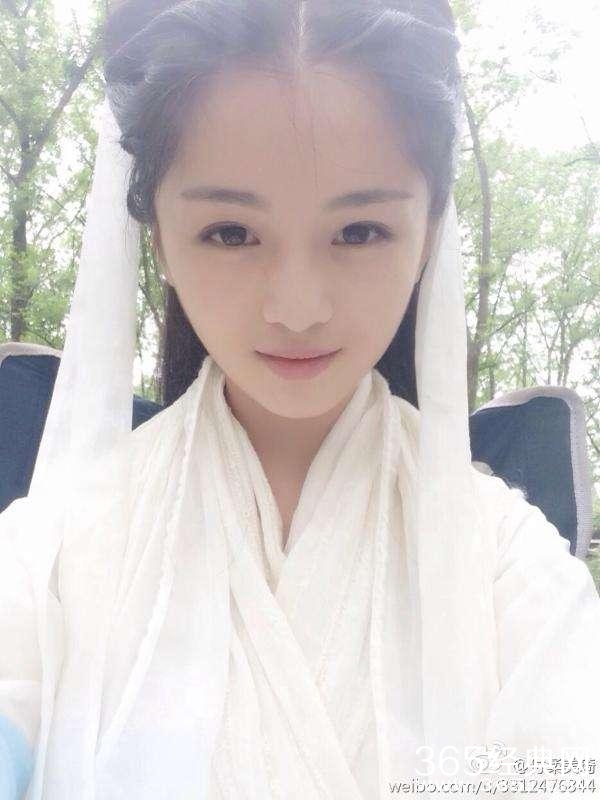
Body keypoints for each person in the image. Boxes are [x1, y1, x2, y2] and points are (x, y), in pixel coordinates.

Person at [1, 1, 599, 798]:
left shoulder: (510, 569)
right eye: (230, 232)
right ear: (158, 238)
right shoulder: (48, 552)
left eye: (359, 232)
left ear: (428, 232)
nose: (297, 307)